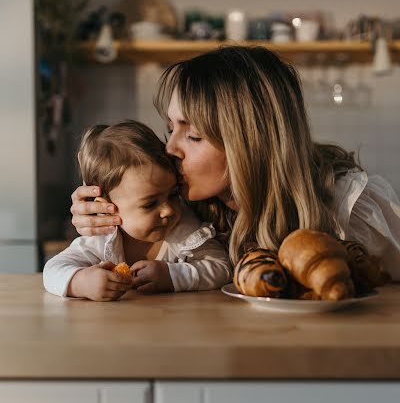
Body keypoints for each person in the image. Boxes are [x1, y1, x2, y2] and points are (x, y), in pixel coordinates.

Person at [70, 46, 400, 280]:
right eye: (171, 128)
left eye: (194, 136)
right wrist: (106, 218)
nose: (169, 148)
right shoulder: (188, 203)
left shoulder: (349, 208)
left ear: (249, 144)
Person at [43, 120, 232, 301]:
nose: (168, 210)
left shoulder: (184, 228)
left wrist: (172, 276)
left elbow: (221, 267)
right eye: (150, 204)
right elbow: (52, 270)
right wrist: (81, 282)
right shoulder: (101, 239)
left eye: (173, 194)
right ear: (107, 208)